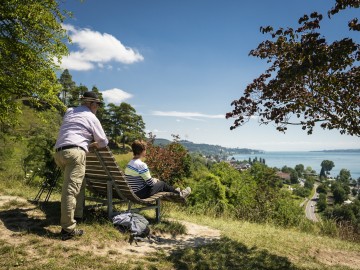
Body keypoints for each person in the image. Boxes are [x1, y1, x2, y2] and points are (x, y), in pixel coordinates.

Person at [54, 91, 108, 240]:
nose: (97, 107)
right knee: (70, 191)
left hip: (59, 153)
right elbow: (103, 141)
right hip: (75, 153)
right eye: (97, 104)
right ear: (91, 103)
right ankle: (68, 229)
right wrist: (91, 145)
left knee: (79, 183)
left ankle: (78, 215)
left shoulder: (70, 111)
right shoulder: (92, 117)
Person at [125, 140, 191, 199]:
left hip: (132, 192)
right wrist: (155, 180)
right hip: (141, 194)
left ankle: (178, 191)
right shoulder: (141, 165)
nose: (146, 151)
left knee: (159, 183)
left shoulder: (129, 164)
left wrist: (153, 180)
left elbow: (137, 180)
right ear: (142, 151)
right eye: (145, 149)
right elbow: (150, 183)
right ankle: (180, 194)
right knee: (162, 184)